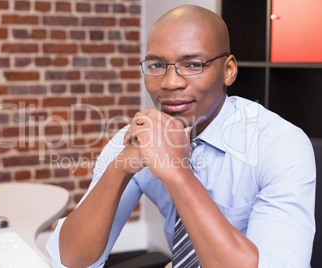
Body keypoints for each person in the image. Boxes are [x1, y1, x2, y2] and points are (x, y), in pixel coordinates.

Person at [46, 5, 316, 268]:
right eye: (156, 65)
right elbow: (70, 262)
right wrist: (120, 169)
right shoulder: (139, 137)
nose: (170, 82)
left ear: (228, 70)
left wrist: (178, 174)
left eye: (193, 64)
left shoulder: (280, 145)